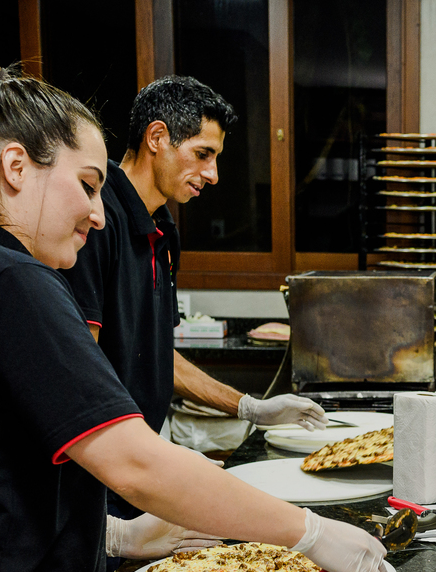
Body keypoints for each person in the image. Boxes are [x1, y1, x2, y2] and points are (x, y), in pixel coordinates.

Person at [0, 35, 393, 572]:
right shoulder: (7, 282)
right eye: (83, 184)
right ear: (15, 168)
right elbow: (135, 463)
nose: (99, 213)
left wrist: (112, 539)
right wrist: (311, 534)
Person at [62, 75, 322, 518]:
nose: (213, 175)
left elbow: (160, 355)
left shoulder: (163, 231)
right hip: (95, 474)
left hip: (137, 469)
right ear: (157, 137)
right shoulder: (97, 220)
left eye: (215, 158)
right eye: (203, 154)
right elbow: (78, 370)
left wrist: (248, 407)